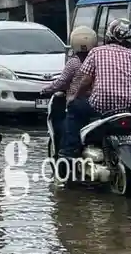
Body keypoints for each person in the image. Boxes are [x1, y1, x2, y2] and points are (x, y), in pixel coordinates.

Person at [60, 18, 131, 157]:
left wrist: (75, 96)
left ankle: (69, 151)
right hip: (126, 108)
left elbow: (86, 80)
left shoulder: (96, 52)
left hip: (100, 106)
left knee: (74, 108)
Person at [41, 26, 98, 157]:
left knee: (64, 127)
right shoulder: (98, 60)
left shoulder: (73, 63)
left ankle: (66, 154)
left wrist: (45, 89)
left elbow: (62, 82)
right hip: (97, 103)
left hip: (76, 103)